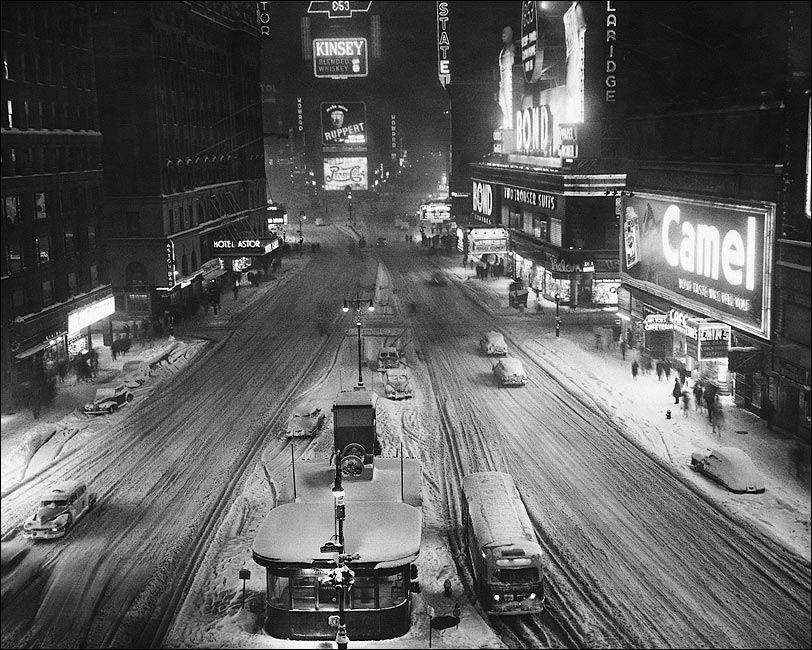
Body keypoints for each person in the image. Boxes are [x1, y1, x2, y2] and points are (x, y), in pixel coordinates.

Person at [497, 26, 516, 128]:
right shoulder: (504, 49)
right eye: (502, 33)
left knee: (509, 101)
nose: (503, 35)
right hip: (503, 79)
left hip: (509, 77)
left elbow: (513, 62)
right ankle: (507, 122)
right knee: (502, 101)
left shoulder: (511, 47)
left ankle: (510, 123)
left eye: (506, 33)